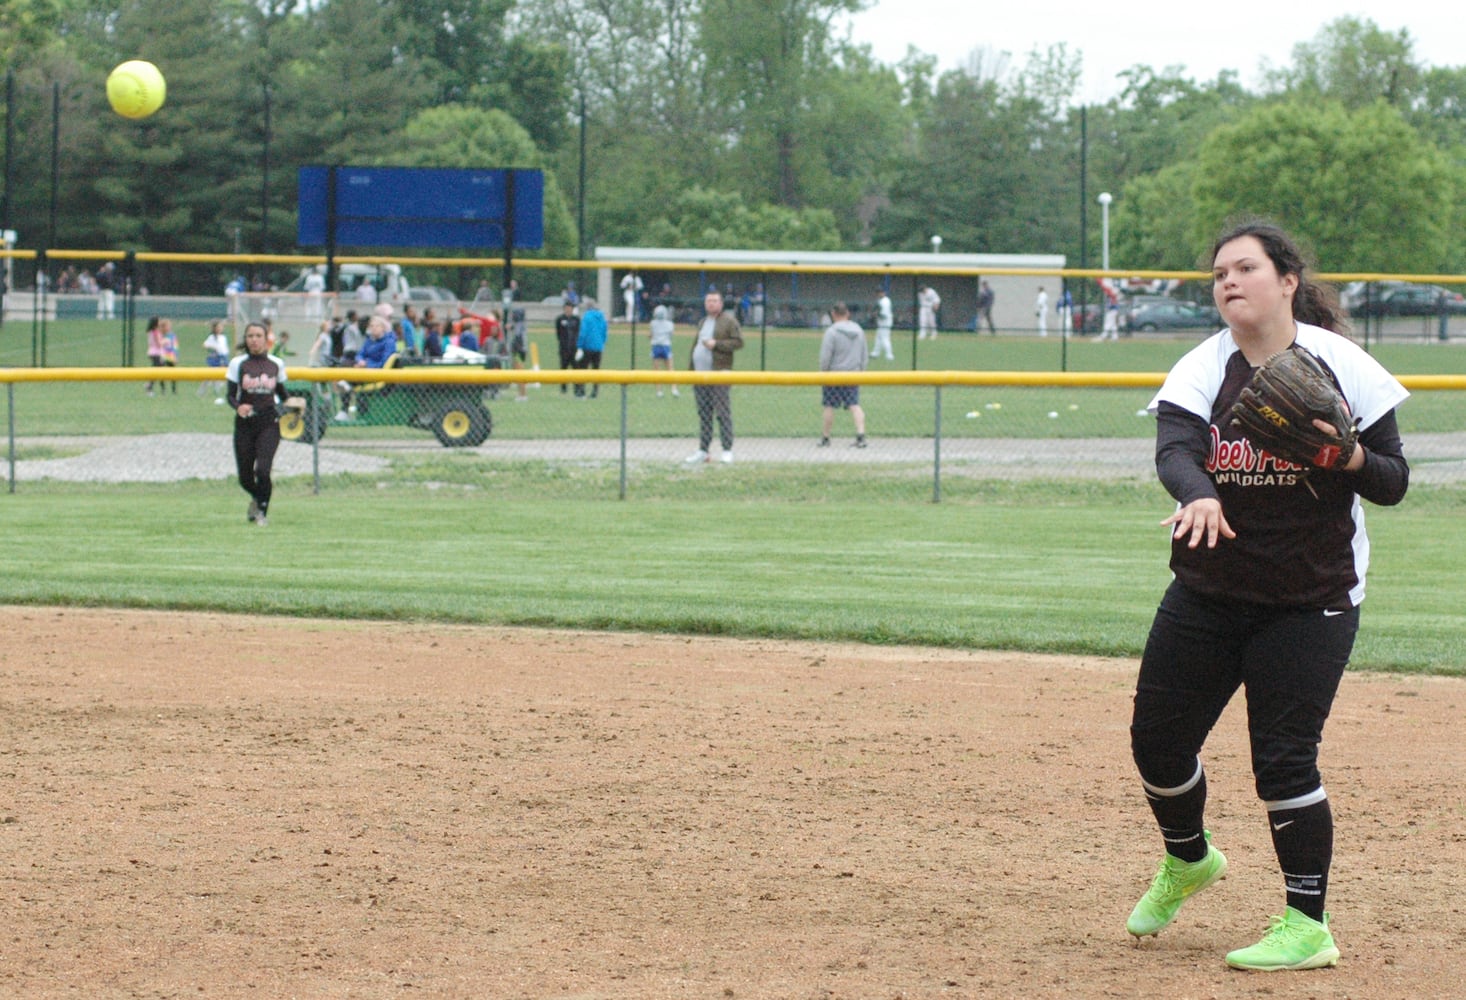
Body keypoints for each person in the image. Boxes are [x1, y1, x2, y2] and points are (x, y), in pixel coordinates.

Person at [1125, 221, 1410, 972]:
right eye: (1219, 272)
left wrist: (1344, 454)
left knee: (1284, 760)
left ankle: (1306, 925)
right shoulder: (1201, 366)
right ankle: (1189, 859)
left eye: (1245, 267)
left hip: (1310, 597)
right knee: (1157, 743)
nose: (1228, 281)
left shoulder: (1343, 365)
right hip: (1210, 587)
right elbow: (1175, 450)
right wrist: (1200, 495)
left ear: (1287, 281)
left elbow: (1393, 481)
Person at [226, 322, 290, 527]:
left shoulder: (275, 364)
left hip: (269, 423)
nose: (254, 339)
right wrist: (238, 406)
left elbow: (282, 395)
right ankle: (258, 496)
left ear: (266, 339)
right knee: (245, 477)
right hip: (245, 424)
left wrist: (291, 406)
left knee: (263, 470)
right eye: (250, 336)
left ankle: (262, 510)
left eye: (258, 335)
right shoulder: (238, 363)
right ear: (246, 339)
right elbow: (230, 395)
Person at [684, 288, 743, 465]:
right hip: (701, 376)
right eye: (708, 301)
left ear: (721, 303)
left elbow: (738, 342)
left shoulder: (728, 321)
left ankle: (727, 450)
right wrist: (691, 370)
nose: (711, 303)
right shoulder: (703, 322)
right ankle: (704, 450)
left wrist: (716, 344)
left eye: (715, 301)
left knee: (722, 412)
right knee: (704, 413)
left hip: (719, 374)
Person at [817, 302, 868, 448]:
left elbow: (825, 356)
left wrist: (823, 371)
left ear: (833, 315)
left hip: (834, 375)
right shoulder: (858, 330)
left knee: (829, 406)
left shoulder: (831, 331)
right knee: (854, 405)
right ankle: (861, 435)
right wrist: (861, 371)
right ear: (848, 314)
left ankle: (826, 438)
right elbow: (864, 355)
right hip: (853, 374)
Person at [574, 299, 608, 398]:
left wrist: (579, 346)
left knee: (583, 370)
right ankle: (595, 391)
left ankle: (581, 390)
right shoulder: (602, 317)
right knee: (596, 370)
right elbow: (605, 332)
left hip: (587, 346)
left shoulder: (587, 317)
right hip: (598, 347)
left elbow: (583, 333)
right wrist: (602, 343)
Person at [648, 304, 679, 398]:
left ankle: (659, 391)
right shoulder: (670, 324)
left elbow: (651, 335)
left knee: (657, 370)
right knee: (670, 368)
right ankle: (674, 389)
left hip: (656, 346)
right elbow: (671, 335)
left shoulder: (653, 323)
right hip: (666, 346)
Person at [200, 319, 232, 403]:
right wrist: (213, 349)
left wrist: (226, 356)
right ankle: (202, 390)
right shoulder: (211, 337)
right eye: (218, 327)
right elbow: (205, 345)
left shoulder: (223, 337)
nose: (220, 329)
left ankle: (217, 390)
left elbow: (224, 349)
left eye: (221, 327)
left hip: (223, 358)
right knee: (211, 375)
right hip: (215, 358)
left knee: (224, 374)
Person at [554, 301, 580, 394]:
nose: (568, 309)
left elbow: (578, 332)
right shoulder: (560, 319)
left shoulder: (576, 319)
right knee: (563, 369)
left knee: (576, 369)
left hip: (574, 348)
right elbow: (558, 333)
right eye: (567, 308)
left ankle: (577, 389)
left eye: (570, 308)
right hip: (564, 348)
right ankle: (563, 389)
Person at [143, 316, 167, 396]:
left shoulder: (151, 331)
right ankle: (149, 387)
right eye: (159, 321)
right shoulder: (155, 332)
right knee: (157, 372)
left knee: (159, 371)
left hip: (153, 352)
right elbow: (158, 344)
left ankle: (153, 386)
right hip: (156, 353)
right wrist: (165, 341)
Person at [871, 287, 895, 361]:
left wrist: (875, 314)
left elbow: (883, 315)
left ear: (883, 293)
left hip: (885, 322)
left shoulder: (885, 301)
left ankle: (889, 355)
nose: (878, 294)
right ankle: (875, 353)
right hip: (882, 322)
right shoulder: (881, 300)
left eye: (880, 292)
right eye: (878, 292)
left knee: (885, 338)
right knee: (878, 337)